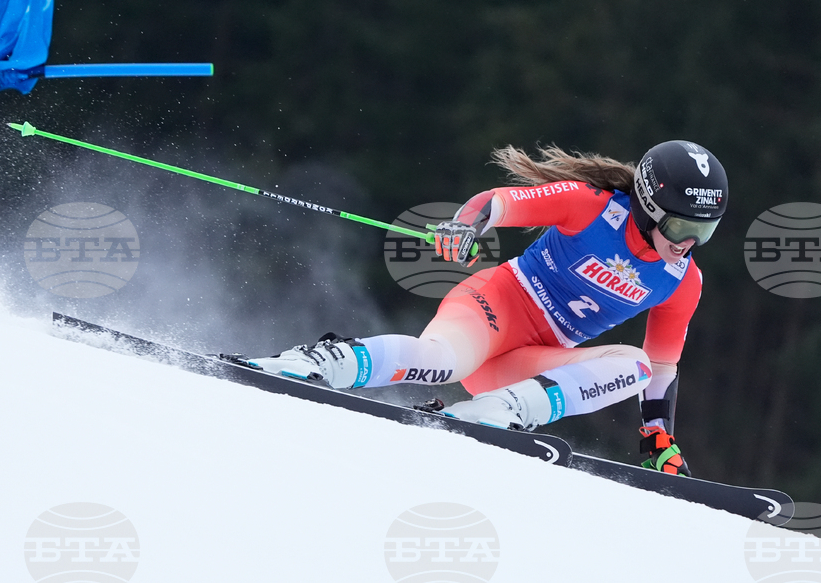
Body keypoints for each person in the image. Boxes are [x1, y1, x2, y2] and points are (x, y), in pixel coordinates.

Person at [251, 140, 727, 476]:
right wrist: (465, 225)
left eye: (704, 232)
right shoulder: (592, 206)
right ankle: (313, 364)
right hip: (497, 305)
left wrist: (657, 436)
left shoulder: (682, 281)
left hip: (530, 360)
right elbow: (500, 202)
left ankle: (498, 411)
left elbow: (664, 364)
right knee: (440, 361)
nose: (688, 244)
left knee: (637, 365)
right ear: (647, 205)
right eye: (683, 226)